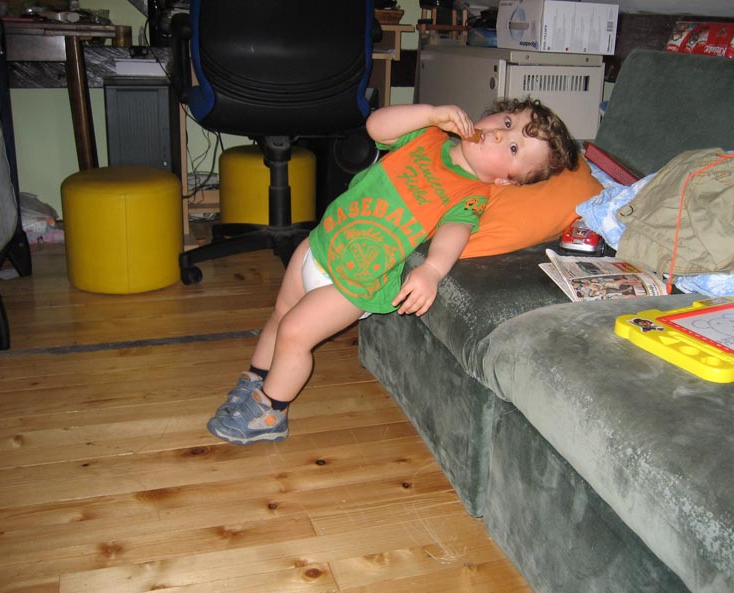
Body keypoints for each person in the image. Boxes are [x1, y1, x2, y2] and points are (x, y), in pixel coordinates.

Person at [206, 97, 577, 445]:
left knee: (294, 333)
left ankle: (271, 411)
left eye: (513, 149)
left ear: (506, 180)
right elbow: (376, 127)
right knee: (280, 313)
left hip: (357, 283)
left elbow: (454, 232)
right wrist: (430, 113)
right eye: (508, 122)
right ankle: (257, 378)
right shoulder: (427, 135)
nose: (498, 135)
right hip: (324, 243)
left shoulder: (471, 195)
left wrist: (432, 270)